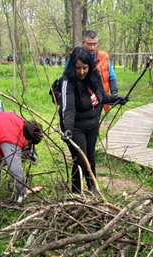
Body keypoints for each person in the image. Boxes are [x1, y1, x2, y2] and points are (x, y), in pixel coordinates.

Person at [59, 47, 128, 194]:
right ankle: (76, 192)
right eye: (78, 68)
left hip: (92, 124)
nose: (82, 72)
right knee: (81, 160)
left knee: (90, 156)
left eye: (85, 68)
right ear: (73, 67)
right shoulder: (68, 81)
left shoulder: (94, 76)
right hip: (75, 126)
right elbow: (68, 109)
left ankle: (92, 187)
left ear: (89, 66)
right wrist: (68, 129)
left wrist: (116, 99)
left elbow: (102, 97)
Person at [82, 30, 118, 100]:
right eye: (89, 44)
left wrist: (114, 94)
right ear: (83, 43)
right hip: (83, 100)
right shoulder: (76, 58)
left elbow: (112, 77)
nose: (92, 47)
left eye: (95, 44)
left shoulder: (104, 57)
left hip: (102, 99)